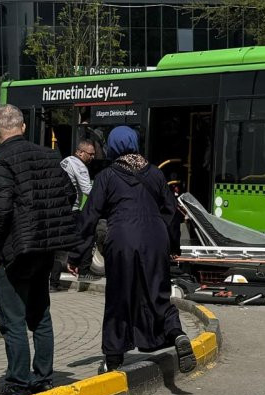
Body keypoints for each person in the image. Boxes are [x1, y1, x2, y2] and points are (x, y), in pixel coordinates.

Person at [68, 125, 197, 376]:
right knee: (158, 294)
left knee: (119, 298)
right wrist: (171, 247)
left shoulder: (107, 176)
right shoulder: (155, 174)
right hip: (155, 240)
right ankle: (177, 333)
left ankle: (113, 359)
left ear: (113, 147)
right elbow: (171, 213)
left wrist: (76, 255)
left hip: (122, 240)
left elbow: (89, 216)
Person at [0, 104, 79, 395]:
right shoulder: (51, 156)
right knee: (41, 316)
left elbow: (1, 209)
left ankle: (17, 384)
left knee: (13, 320)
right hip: (45, 249)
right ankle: (44, 377)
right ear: (23, 127)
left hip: (15, 252)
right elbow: (69, 195)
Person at [50, 140, 96, 290]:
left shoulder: (65, 161)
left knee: (58, 246)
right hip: (71, 209)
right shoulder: (80, 166)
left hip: (58, 209)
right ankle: (83, 271)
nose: (93, 157)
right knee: (86, 236)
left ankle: (54, 282)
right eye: (90, 154)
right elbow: (87, 190)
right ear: (80, 152)